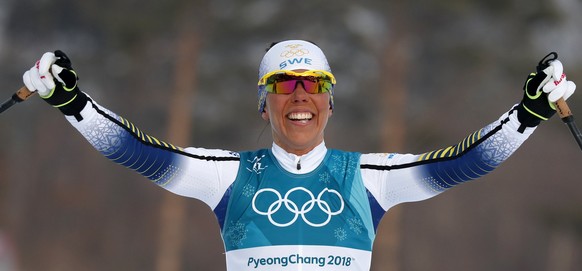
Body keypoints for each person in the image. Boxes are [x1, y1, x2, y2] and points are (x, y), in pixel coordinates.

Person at [22, 40, 576, 271]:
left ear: (331, 102)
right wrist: (73, 102)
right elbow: (135, 150)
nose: (300, 97)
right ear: (264, 105)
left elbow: (464, 162)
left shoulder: (369, 179)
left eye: (313, 85)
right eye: (283, 86)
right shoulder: (228, 177)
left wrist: (525, 114)